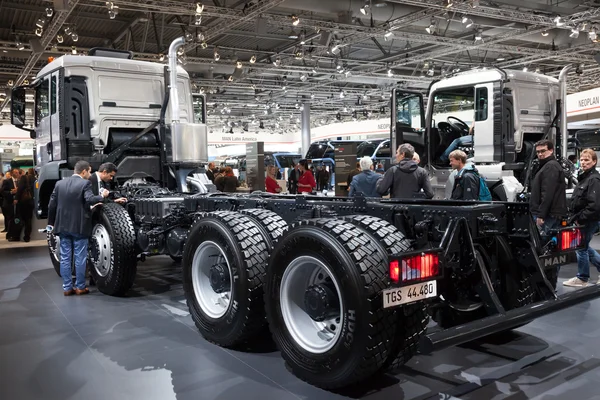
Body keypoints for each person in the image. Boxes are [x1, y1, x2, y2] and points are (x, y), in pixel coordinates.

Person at [47, 160, 108, 296]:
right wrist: (102, 196)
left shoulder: (59, 184)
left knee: (65, 257)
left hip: (62, 226)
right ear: (84, 171)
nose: (90, 174)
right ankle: (80, 287)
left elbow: (51, 205)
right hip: (80, 226)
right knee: (80, 257)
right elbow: (90, 199)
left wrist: (51, 223)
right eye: (90, 171)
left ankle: (67, 288)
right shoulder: (85, 183)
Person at [563, 149, 600, 287]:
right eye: (582, 160)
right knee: (583, 247)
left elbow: (594, 205)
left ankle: (582, 278)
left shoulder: (594, 179)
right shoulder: (584, 177)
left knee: (581, 248)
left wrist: (580, 218)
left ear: (594, 162)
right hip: (583, 219)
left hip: (588, 220)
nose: (584, 163)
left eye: (587, 160)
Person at [529, 139, 567, 235]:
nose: (540, 154)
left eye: (543, 151)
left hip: (547, 214)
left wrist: (541, 215)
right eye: (538, 152)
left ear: (551, 150)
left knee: (541, 245)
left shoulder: (550, 167)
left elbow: (547, 193)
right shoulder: (548, 166)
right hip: (550, 213)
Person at [14, 168, 35, 242]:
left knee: (21, 219)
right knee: (29, 220)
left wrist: (16, 198)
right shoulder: (34, 178)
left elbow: (20, 189)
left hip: (23, 202)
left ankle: (17, 236)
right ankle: (27, 237)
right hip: (31, 201)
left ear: (20, 174)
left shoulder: (23, 178)